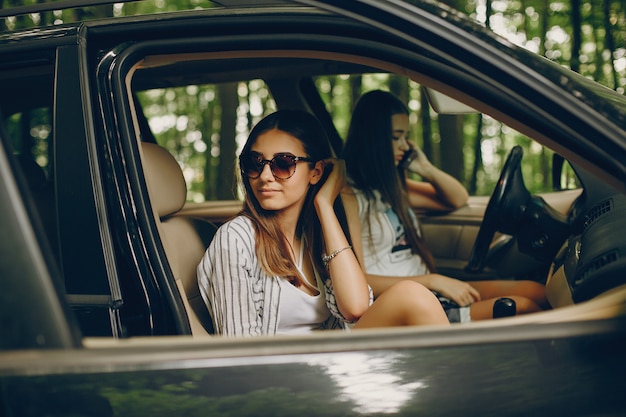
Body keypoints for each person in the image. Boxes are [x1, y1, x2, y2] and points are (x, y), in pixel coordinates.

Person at [197, 109, 450, 336]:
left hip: (332, 361)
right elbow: (239, 351)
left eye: (283, 164)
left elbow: (356, 307)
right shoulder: (236, 238)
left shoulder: (311, 235)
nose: (265, 176)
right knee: (414, 296)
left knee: (413, 296)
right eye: (255, 163)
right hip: (287, 376)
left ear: (316, 172)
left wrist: (325, 205)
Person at [342, 90, 548, 321]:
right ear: (372, 138)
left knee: (538, 291)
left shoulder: (393, 188)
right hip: (401, 302)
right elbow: (356, 282)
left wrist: (425, 168)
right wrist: (433, 280)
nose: (405, 146)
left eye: (406, 136)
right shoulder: (349, 195)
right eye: (396, 136)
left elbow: (458, 198)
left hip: (430, 289)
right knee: (524, 307)